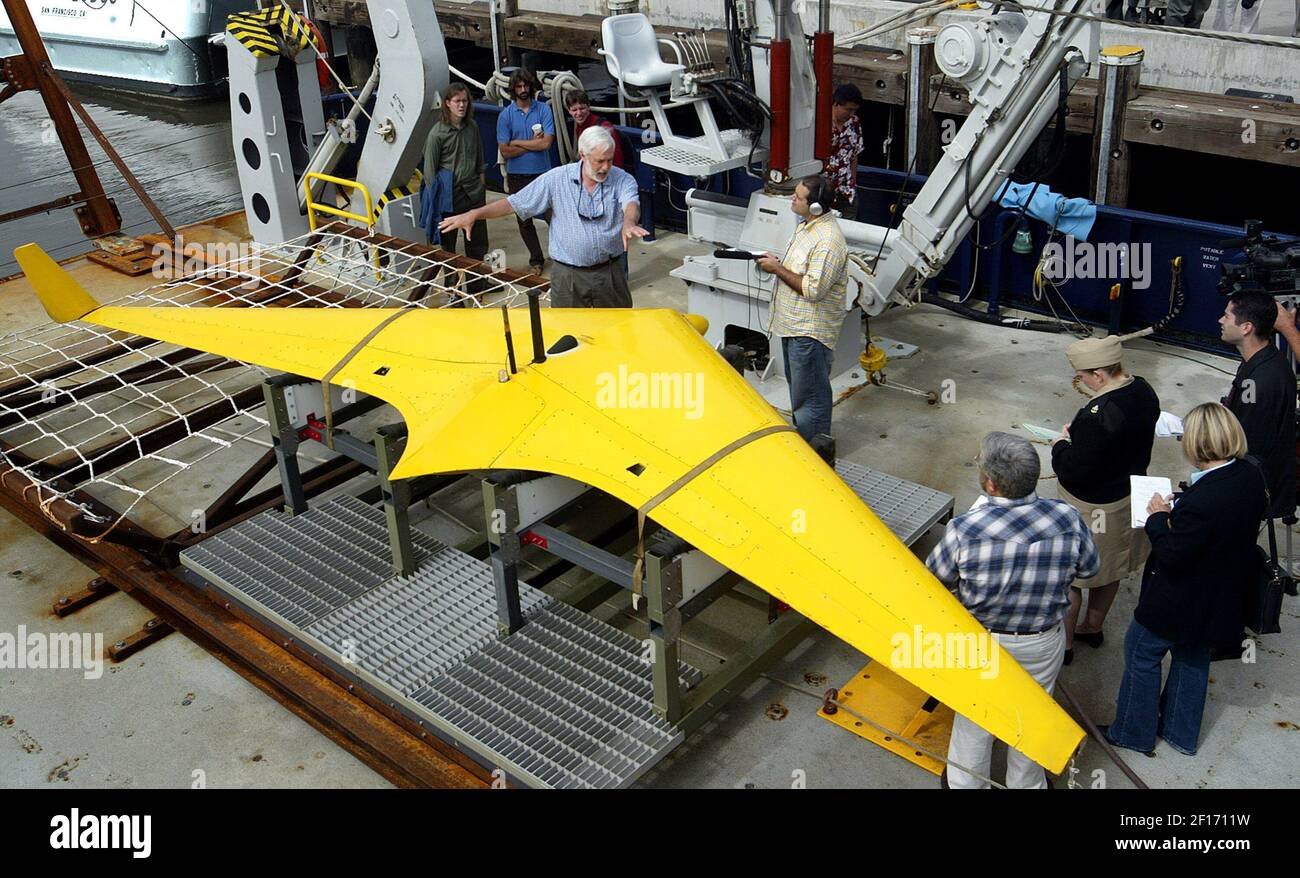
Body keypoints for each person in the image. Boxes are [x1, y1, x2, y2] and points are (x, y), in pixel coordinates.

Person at [926, 432, 1100, 789]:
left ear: (990, 484)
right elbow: (1089, 569)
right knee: (1032, 716)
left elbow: (934, 579)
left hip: (982, 644)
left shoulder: (964, 530)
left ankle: (967, 783)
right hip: (1042, 641)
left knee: (976, 718)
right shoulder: (1068, 518)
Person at [1105, 403, 1267, 756]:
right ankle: (1180, 732)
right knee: (1192, 657)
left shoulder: (1205, 500)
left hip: (1178, 597)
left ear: (1196, 444)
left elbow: (1174, 553)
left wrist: (1159, 518)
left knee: (1140, 652)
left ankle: (1133, 732)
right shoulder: (1249, 475)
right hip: (1220, 597)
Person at [439, 125, 646, 307]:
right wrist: (475, 214)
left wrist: (628, 223)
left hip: (610, 274)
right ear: (583, 155)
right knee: (566, 335)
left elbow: (631, 204)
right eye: (600, 161)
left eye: (610, 160)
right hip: (568, 277)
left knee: (616, 334)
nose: (606, 167)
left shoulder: (622, 179)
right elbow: (514, 203)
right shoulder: (556, 180)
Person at [1051, 335, 1160, 665]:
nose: (1081, 382)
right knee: (1110, 570)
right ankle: (1092, 628)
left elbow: (1074, 470)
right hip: (1128, 495)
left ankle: (1066, 647)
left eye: (1082, 376)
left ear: (1098, 374)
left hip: (1091, 506)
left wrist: (1061, 444)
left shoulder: (1096, 416)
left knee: (1073, 579)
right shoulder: (1142, 389)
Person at [757, 175, 848, 444]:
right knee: (800, 392)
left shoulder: (828, 240)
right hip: (792, 326)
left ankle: (816, 453)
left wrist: (777, 269)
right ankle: (807, 442)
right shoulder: (806, 226)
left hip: (809, 334)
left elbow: (813, 289)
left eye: (798, 197)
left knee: (810, 399)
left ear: (817, 206)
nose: (792, 199)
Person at [1220, 291, 1296, 521]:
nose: (1220, 321)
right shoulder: (1261, 359)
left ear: (1246, 328)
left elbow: (1249, 441)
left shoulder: (1261, 380)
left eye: (1227, 316)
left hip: (1256, 483)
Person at [423, 82, 487, 292]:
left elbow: (480, 158)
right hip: (450, 195)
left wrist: (481, 184)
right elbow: (430, 173)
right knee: (448, 245)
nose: (462, 105)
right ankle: (452, 288)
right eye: (457, 101)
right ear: (448, 104)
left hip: (473, 193)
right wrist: (437, 201)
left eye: (465, 101)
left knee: (477, 242)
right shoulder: (437, 134)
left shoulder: (473, 127)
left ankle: (477, 283)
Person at [496, 69, 556, 274]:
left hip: (543, 174)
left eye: (526, 86)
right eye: (519, 87)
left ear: (531, 87)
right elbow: (505, 150)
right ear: (513, 90)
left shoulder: (544, 110)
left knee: (554, 217)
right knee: (524, 221)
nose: (523, 90)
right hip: (517, 176)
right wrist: (532, 143)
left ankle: (561, 254)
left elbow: (546, 144)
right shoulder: (505, 116)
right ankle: (536, 260)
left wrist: (519, 143)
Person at [824, 84, 863, 217]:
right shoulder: (821, 123)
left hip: (847, 189)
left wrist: (853, 182)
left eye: (854, 110)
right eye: (848, 109)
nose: (851, 114)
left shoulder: (854, 123)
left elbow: (854, 155)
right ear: (836, 104)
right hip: (824, 188)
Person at [564, 90, 626, 170]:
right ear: (569, 111)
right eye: (574, 110)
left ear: (588, 107)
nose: (579, 113)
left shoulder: (604, 127)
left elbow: (617, 160)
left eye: (582, 108)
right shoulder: (579, 127)